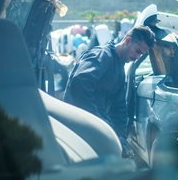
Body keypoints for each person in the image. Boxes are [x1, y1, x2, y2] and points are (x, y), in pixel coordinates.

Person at [63, 25, 155, 154]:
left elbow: (119, 107)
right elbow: (80, 83)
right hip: (77, 125)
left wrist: (120, 136)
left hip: (94, 126)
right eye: (137, 51)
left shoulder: (119, 69)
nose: (138, 57)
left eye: (142, 54)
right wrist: (98, 121)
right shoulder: (101, 55)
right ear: (127, 41)